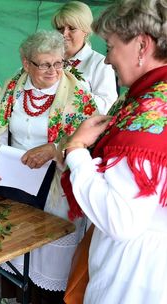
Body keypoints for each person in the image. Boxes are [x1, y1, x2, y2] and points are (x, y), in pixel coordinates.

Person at [63, 0, 167, 302]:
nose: (107, 60)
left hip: (132, 276)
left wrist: (77, 149)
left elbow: (121, 220)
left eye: (110, 47)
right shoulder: (143, 98)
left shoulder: (150, 113)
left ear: (142, 46)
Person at [0, 30, 98, 303]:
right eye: (45, 64)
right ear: (26, 63)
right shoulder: (13, 86)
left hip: (55, 188)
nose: (53, 70)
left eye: (59, 63)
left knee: (48, 260)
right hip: (16, 185)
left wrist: (55, 149)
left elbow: (93, 143)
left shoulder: (78, 94)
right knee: (15, 255)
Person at [52, 0, 118, 114]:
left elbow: (108, 107)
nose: (64, 34)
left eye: (72, 28)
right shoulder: (48, 59)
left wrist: (71, 90)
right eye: (60, 28)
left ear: (86, 30)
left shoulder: (100, 63)